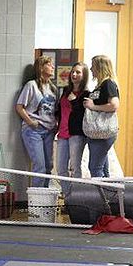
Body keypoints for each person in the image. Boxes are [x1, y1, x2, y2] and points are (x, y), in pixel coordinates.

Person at [15, 55, 58, 187]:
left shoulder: (53, 89)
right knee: (39, 165)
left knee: (48, 165)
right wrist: (30, 122)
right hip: (34, 129)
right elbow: (19, 106)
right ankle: (37, 200)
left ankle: (45, 196)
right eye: (49, 64)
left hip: (49, 130)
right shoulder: (31, 85)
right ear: (41, 67)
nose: (52, 67)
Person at [56, 62, 89, 197]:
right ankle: (68, 196)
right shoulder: (65, 91)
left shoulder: (87, 93)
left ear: (84, 75)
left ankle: (77, 197)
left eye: (78, 72)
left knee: (75, 167)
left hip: (76, 134)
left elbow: (82, 113)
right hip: (62, 133)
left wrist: (75, 100)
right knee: (60, 168)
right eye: (73, 72)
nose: (74, 75)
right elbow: (60, 109)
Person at [83, 55, 120, 177]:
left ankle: (100, 195)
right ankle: (108, 194)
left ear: (100, 67)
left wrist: (93, 106)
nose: (91, 69)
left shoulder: (108, 83)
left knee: (95, 167)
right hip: (97, 132)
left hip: (103, 131)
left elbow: (114, 105)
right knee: (103, 167)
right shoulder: (100, 85)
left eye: (93, 66)